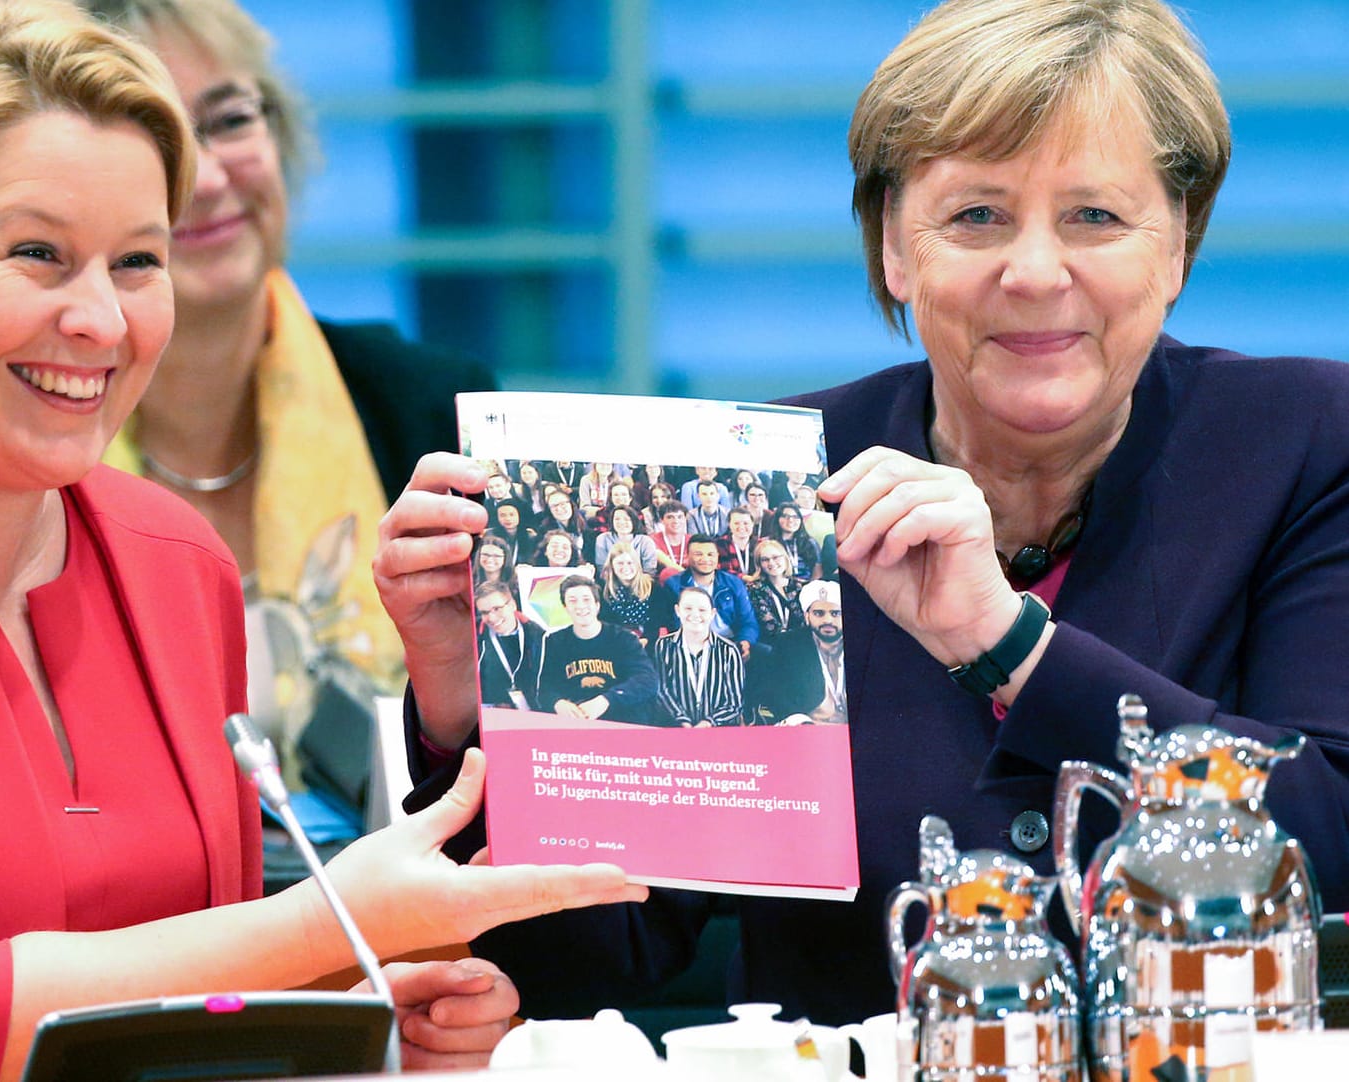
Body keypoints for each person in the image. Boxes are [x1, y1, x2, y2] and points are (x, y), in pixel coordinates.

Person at [374, 0, 1349, 1028]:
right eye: (976, 215)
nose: (1032, 270)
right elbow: (582, 963)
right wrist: (462, 707)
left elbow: (1325, 840)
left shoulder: (1301, 443)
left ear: (1178, 243)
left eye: (1094, 216)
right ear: (894, 245)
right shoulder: (758, 496)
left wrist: (1010, 645)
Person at [0, 7, 647, 1082]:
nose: (102, 322)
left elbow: (188, 965)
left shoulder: (177, 559)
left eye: (135, 262)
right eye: (39, 255)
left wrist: (349, 1001)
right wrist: (319, 924)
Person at [82, 0, 495, 769]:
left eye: (230, 120)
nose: (205, 178)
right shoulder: (17, 442)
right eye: (158, 138)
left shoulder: (433, 406)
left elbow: (496, 765)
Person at [532, 576, 658, 723]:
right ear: (565, 608)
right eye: (572, 601)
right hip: (574, 721)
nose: (580, 606)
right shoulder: (553, 642)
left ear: (597, 605)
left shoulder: (624, 639)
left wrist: (606, 700)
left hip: (620, 720)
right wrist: (557, 703)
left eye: (586, 600)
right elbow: (544, 687)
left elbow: (647, 680)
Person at [749, 579, 847, 726]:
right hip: (807, 726)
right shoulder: (788, 644)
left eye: (835, 613)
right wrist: (800, 720)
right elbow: (774, 692)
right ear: (807, 616)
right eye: (819, 613)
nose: (828, 620)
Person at [651, 588, 747, 728]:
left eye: (702, 610)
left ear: (712, 613)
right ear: (678, 611)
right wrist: (682, 720)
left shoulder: (729, 650)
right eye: (688, 608)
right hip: (676, 728)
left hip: (718, 731)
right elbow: (662, 690)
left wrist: (708, 722)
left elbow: (734, 702)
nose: (695, 614)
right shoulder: (664, 645)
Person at [662, 536, 759, 656]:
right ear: (688, 557)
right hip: (691, 646)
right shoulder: (674, 585)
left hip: (730, 642)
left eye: (710, 554)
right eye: (698, 554)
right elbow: (669, 624)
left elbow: (748, 621)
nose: (705, 559)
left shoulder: (733, 583)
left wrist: (745, 642)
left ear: (717, 556)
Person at [474, 581, 540, 711]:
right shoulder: (475, 637)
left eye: (497, 609)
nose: (492, 618)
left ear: (512, 605)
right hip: (490, 714)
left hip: (533, 714)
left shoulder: (537, 636)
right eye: (485, 612)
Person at [598, 540, 674, 645]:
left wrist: (644, 640)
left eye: (630, 563)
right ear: (612, 566)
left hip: (649, 640)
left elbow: (658, 620)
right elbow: (606, 623)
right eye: (620, 563)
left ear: (637, 564)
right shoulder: (604, 590)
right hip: (617, 642)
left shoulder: (653, 587)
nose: (625, 567)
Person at [748, 538, 809, 645]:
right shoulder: (755, 589)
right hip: (772, 646)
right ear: (759, 564)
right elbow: (768, 625)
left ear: (785, 558)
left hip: (801, 643)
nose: (771, 563)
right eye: (765, 559)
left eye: (775, 557)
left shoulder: (801, 586)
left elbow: (806, 622)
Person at [593, 503, 656, 571]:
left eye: (626, 519)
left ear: (634, 521)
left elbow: (650, 570)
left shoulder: (646, 541)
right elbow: (602, 568)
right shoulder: (602, 539)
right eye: (617, 519)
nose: (621, 522)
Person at [718, 506, 759, 579]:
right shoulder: (720, 544)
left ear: (752, 524)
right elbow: (723, 570)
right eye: (736, 523)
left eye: (746, 523)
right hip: (731, 585)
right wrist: (744, 578)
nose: (741, 527)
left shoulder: (761, 544)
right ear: (729, 524)